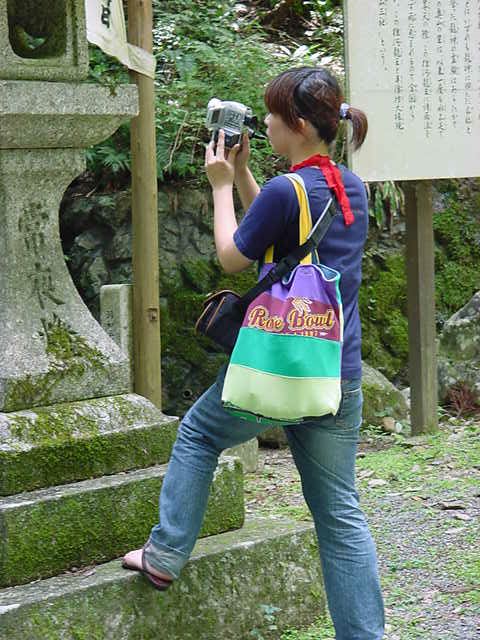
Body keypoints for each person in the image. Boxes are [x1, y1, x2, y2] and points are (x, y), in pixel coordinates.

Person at [123, 66, 385, 640]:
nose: (264, 123)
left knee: (198, 435)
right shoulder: (350, 187)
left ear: (297, 125)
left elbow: (232, 257)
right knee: (340, 517)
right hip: (334, 375)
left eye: (272, 114)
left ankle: (165, 554)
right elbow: (283, 238)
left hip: (277, 367)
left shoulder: (287, 191)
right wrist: (244, 173)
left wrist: (221, 185)